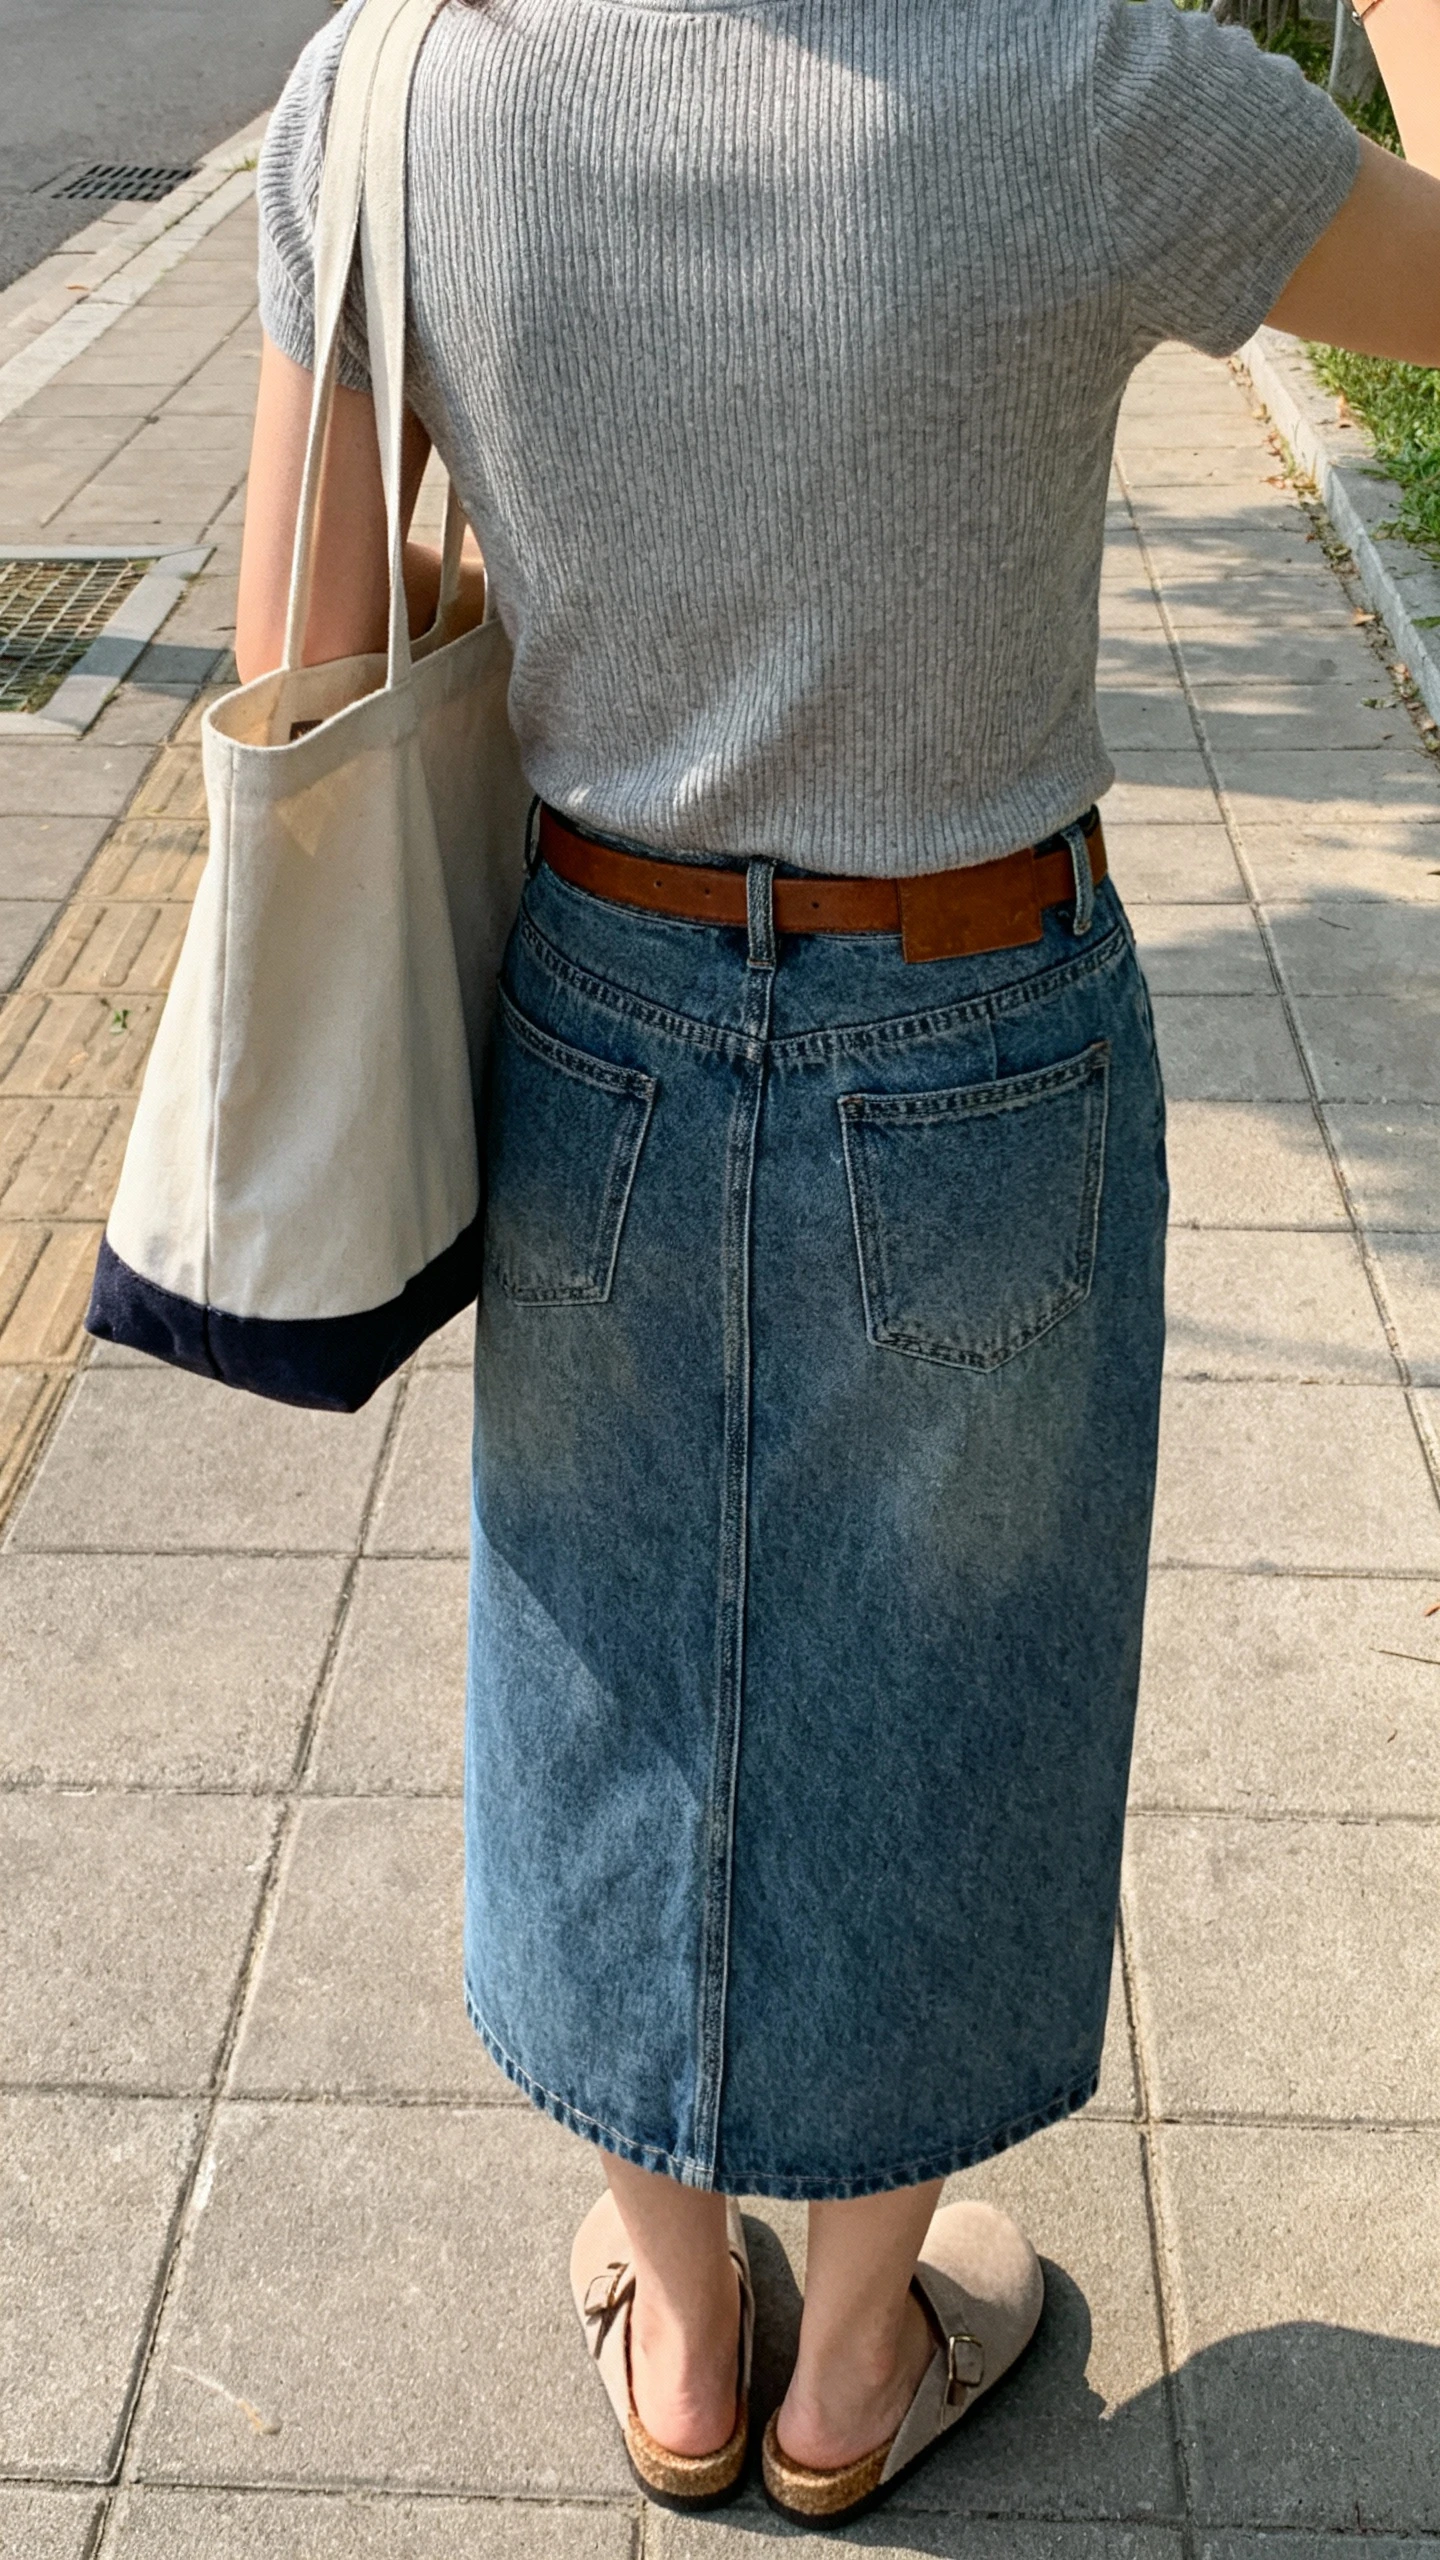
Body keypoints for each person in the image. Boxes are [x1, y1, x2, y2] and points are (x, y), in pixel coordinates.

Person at [235, 0, 1440, 2526]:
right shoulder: (1096, 84)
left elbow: (298, 648)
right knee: (955, 1667)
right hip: (981, 1021)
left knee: (608, 1646)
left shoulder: (398, 91)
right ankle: (858, 2345)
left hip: (598, 1006)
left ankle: (683, 2333)